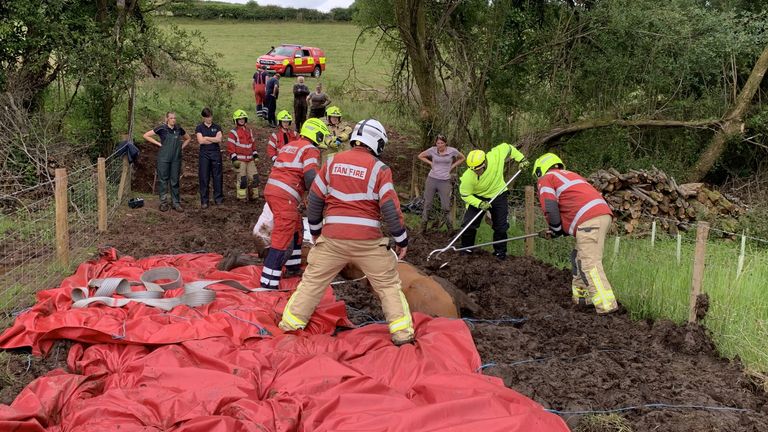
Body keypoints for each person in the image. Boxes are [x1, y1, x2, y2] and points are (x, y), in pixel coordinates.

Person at [279, 119, 415, 346]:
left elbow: (314, 199)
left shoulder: (331, 162)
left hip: (332, 240)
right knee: (388, 286)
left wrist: (315, 231)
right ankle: (402, 334)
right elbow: (390, 209)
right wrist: (401, 239)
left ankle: (290, 324)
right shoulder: (380, 169)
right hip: (368, 244)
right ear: (378, 143)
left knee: (312, 282)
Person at [533, 153, 618, 314]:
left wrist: (556, 229)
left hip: (589, 220)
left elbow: (550, 208)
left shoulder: (546, 179)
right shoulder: (570, 175)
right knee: (579, 258)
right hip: (600, 215)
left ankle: (607, 306)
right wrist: (559, 229)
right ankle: (582, 299)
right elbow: (572, 206)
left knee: (588, 263)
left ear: (539, 170)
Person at [260, 118, 328, 289]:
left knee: (297, 228)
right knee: (282, 235)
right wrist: (321, 196)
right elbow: (311, 176)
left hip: (273, 191)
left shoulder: (291, 145)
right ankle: (268, 282)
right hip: (285, 196)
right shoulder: (310, 149)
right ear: (317, 134)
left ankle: (293, 267)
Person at [459, 143, 528, 260]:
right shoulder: (467, 177)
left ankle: (500, 253)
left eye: (478, 169)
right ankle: (466, 249)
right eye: (473, 170)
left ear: (484, 163)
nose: (475, 172)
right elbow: (465, 194)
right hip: (478, 197)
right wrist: (479, 203)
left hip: (498, 194)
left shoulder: (495, 156)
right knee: (469, 224)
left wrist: (521, 159)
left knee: (501, 227)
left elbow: (509, 147)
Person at [143, 112, 191, 212]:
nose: (173, 120)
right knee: (163, 180)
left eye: (174, 118)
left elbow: (188, 138)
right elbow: (146, 135)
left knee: (175, 181)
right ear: (167, 119)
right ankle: (163, 203)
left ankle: (176, 203)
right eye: (171, 118)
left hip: (176, 159)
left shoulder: (179, 129)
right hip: (163, 158)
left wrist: (181, 147)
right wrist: (158, 144)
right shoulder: (162, 128)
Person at [417, 134, 465, 232]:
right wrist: (430, 163)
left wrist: (452, 166)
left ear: (445, 143)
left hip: (445, 181)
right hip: (432, 179)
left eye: (442, 143)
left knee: (445, 206)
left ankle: (450, 229)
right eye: (438, 143)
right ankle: (423, 228)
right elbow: (420, 156)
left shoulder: (452, 151)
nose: (439, 145)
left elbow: (462, 158)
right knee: (427, 204)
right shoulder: (432, 150)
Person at [226, 109, 260, 200]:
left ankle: (254, 197)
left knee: (255, 178)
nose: (241, 120)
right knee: (242, 179)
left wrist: (255, 156)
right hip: (240, 161)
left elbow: (253, 145)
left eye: (243, 118)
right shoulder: (233, 133)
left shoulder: (249, 131)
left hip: (250, 160)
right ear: (236, 120)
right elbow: (230, 148)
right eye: (239, 119)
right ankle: (241, 198)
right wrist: (234, 160)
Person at [195, 107, 224, 208]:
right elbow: (201, 141)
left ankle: (218, 199)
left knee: (217, 177)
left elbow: (219, 139)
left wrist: (207, 138)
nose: (209, 119)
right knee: (204, 177)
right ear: (203, 117)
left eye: (210, 116)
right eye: (207, 117)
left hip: (216, 153)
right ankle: (204, 201)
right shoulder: (199, 128)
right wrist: (212, 139)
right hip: (204, 154)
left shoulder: (217, 127)